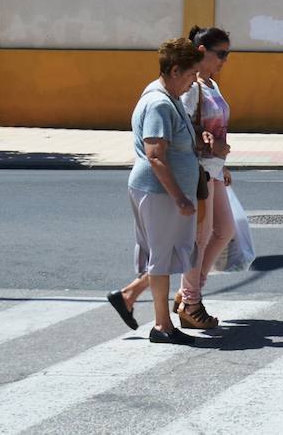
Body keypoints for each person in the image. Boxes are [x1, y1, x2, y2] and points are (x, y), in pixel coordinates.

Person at [106, 38, 205, 345]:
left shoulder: (167, 96)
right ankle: (162, 326)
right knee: (161, 259)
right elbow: (155, 155)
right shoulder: (160, 103)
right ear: (175, 71)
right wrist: (179, 197)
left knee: (168, 256)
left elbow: (172, 145)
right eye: (190, 76)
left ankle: (129, 297)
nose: (193, 84)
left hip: (161, 191)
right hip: (159, 192)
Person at [174, 26, 235, 330]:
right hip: (197, 171)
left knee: (224, 229)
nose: (225, 60)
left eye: (227, 53)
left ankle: (190, 288)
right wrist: (207, 140)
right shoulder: (192, 87)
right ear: (201, 52)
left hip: (212, 169)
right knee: (200, 237)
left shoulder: (211, 84)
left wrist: (221, 162)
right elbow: (181, 128)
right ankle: (191, 301)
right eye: (220, 54)